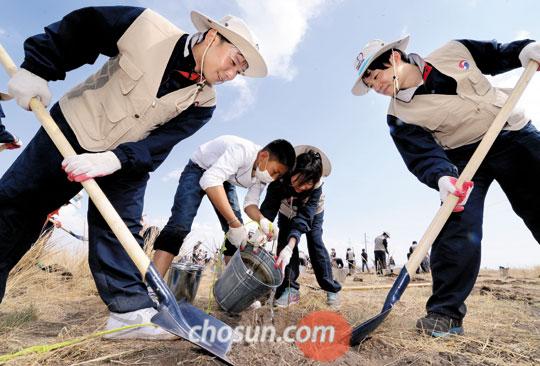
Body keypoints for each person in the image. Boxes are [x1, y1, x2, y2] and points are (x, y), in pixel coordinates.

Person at [0, 6, 267, 340]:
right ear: (213, 36)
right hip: (72, 127)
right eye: (233, 61)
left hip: (126, 158)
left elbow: (160, 144)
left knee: (122, 228)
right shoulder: (147, 27)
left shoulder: (205, 103)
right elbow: (87, 27)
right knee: (16, 210)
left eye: (239, 71)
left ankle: (128, 312)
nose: (232, 75)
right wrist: (38, 67)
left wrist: (115, 160)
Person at [352, 35, 540, 337]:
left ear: (395, 58)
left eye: (376, 76)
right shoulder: (398, 116)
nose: (376, 86)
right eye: (370, 85)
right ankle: (445, 315)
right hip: (464, 160)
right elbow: (422, 154)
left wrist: (524, 49)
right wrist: (442, 178)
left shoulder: (455, 51)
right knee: (456, 227)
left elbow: (497, 54)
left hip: (512, 133)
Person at [151, 136, 295, 275]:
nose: (273, 178)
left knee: (236, 234)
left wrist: (262, 221)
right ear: (263, 156)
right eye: (275, 172)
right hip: (199, 168)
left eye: (278, 176)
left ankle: (231, 289)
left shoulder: (261, 176)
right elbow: (210, 180)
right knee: (180, 223)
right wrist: (234, 223)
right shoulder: (242, 151)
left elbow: (250, 204)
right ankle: (153, 289)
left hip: (225, 179)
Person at [260, 146, 341, 307]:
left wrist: (291, 247)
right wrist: (263, 229)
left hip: (312, 213)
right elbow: (269, 205)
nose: (298, 189)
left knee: (315, 241)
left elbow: (304, 218)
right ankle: (290, 289)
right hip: (286, 209)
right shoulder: (281, 175)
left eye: (304, 186)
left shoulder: (317, 187)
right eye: (295, 183)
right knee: (283, 239)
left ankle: (331, 288)